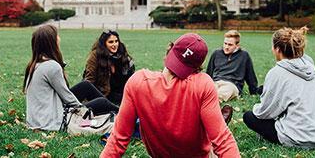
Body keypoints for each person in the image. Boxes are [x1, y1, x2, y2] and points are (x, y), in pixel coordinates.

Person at [100, 33, 240, 158]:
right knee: (214, 142)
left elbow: (118, 140)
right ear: (199, 66)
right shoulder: (203, 84)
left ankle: (212, 121)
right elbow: (223, 141)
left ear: (170, 51)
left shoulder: (138, 82)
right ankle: (214, 120)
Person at [243, 27, 315, 148]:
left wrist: (256, 108)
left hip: (299, 137)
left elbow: (265, 112)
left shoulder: (276, 73)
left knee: (249, 116)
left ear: (277, 49)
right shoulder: (309, 65)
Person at [24, 25, 118, 131]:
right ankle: (127, 115)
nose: (59, 38)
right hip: (51, 119)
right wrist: (82, 110)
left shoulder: (36, 63)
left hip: (39, 117)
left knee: (85, 86)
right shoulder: (51, 66)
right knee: (102, 102)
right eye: (57, 36)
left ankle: (120, 113)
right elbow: (67, 97)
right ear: (51, 42)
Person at [206, 30, 261, 102]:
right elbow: (209, 72)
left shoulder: (244, 55)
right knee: (207, 92)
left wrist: (253, 91)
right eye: (225, 43)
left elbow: (250, 75)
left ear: (237, 45)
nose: (226, 47)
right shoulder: (216, 53)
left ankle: (210, 103)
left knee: (222, 93)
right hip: (216, 82)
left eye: (230, 45)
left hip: (232, 85)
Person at [83, 30, 135, 106]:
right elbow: (89, 80)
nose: (114, 44)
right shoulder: (95, 56)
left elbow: (131, 80)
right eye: (110, 42)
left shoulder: (123, 56)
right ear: (104, 44)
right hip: (103, 95)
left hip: (121, 96)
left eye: (116, 41)